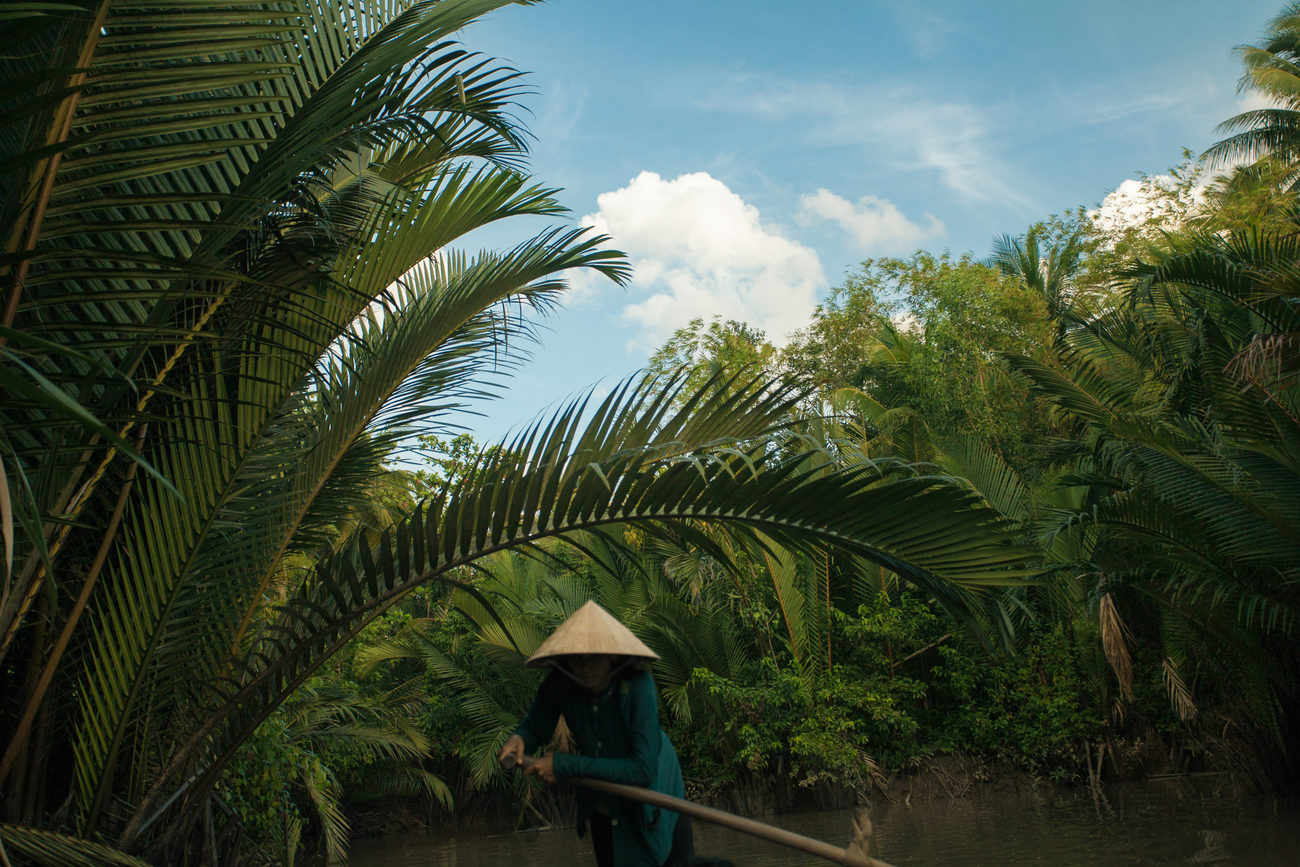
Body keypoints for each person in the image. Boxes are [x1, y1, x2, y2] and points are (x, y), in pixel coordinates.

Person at [498, 600, 700, 867]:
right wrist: (519, 739)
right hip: (602, 795)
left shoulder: (638, 686)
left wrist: (564, 764)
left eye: (594, 658)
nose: (585, 666)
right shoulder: (560, 682)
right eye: (577, 659)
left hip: (657, 791)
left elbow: (642, 770)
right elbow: (535, 727)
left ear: (613, 656)